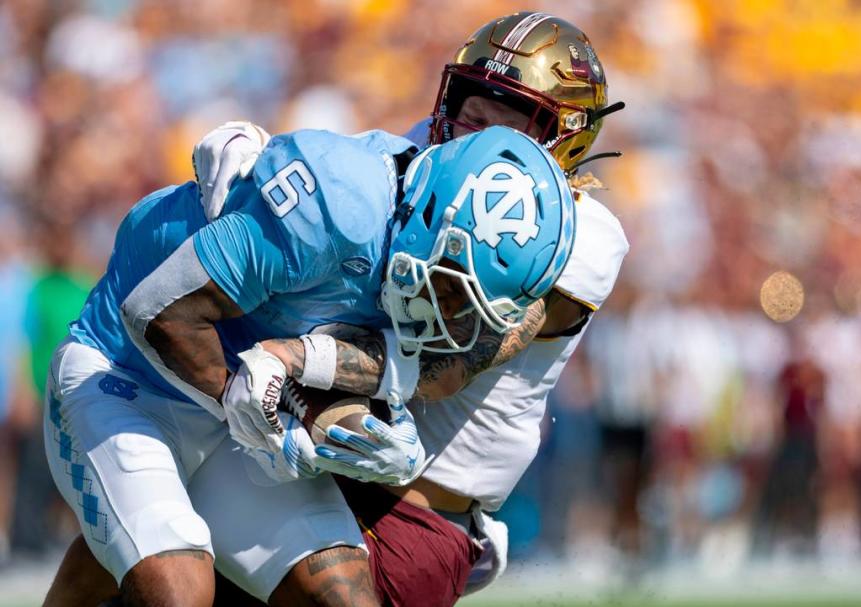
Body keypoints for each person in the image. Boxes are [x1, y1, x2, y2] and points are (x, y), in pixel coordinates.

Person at [186, 12, 628, 606]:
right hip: (307, 462)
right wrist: (260, 170)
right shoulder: (425, 151)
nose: (480, 127)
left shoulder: (584, 236)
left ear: (565, 135)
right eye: (475, 100)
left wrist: (293, 356)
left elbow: (446, 364)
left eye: (512, 114)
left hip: (412, 511)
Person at [41, 124, 576, 607]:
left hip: (228, 400)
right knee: (178, 587)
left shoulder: (428, 242)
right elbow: (158, 312)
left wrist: (361, 427)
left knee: (343, 596)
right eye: (451, 289)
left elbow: (397, 361)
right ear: (431, 218)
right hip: (125, 374)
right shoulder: (340, 203)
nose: (451, 315)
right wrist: (255, 411)